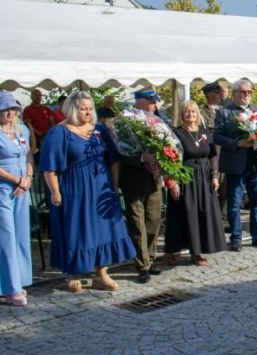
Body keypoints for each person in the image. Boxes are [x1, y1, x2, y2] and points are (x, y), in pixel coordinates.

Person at [40, 92, 136, 292]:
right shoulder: (59, 132)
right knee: (76, 228)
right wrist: (55, 191)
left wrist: (115, 185)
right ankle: (72, 272)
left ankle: (101, 274)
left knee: (103, 229)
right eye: (83, 108)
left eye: (90, 108)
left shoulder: (100, 130)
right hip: (74, 187)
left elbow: (113, 159)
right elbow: (49, 166)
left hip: (102, 187)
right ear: (73, 109)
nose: (87, 112)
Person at [164, 101, 226, 266]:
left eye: (193, 111)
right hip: (185, 177)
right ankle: (170, 250)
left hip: (204, 177)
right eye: (186, 112)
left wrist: (214, 176)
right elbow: (170, 158)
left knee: (201, 213)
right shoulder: (176, 134)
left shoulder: (205, 132)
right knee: (182, 214)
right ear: (182, 115)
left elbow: (213, 155)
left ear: (197, 114)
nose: (190, 114)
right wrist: (173, 180)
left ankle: (197, 251)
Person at [214, 79, 257, 251]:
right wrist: (238, 143)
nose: (247, 94)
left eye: (249, 92)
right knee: (235, 203)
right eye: (243, 92)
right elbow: (217, 137)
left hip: (256, 162)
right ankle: (236, 237)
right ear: (234, 94)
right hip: (235, 163)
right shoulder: (224, 112)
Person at [120, 89, 164, 283]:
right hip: (134, 179)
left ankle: (151, 258)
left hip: (153, 179)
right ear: (139, 102)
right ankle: (142, 264)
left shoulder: (158, 121)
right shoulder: (125, 122)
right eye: (151, 101)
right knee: (137, 224)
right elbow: (121, 151)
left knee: (153, 220)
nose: (155, 105)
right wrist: (141, 158)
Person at [0, 92, 33, 307]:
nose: (10, 112)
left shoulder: (22, 130)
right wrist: (16, 179)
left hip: (23, 188)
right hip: (4, 187)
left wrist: (28, 178)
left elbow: (29, 155)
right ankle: (10, 287)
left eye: (13, 109)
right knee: (6, 236)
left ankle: (20, 280)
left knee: (20, 233)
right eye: (5, 109)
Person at [199, 82, 228, 223]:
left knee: (225, 190)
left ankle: (223, 220)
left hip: (227, 155)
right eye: (217, 93)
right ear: (209, 95)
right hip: (212, 156)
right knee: (212, 190)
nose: (220, 95)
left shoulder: (225, 111)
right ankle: (210, 220)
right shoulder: (201, 114)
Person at [23, 88, 52, 158]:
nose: (38, 97)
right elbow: (28, 125)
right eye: (36, 95)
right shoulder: (28, 109)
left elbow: (52, 122)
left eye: (40, 95)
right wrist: (40, 134)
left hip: (47, 137)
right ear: (31, 97)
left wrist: (47, 133)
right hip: (35, 139)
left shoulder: (46, 109)